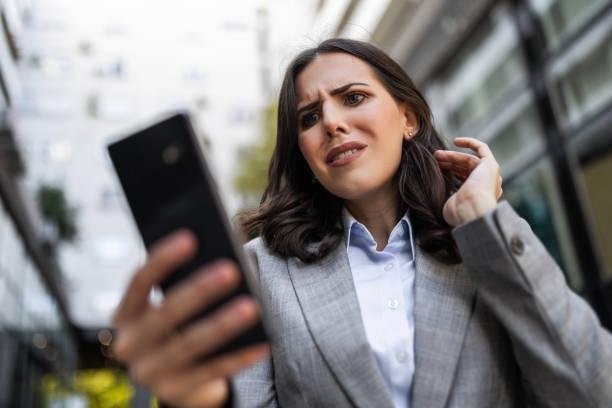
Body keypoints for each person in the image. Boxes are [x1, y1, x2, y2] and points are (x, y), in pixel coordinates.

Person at [111, 38, 612, 407]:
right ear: (303, 152)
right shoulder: (262, 270)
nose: (331, 122)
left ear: (408, 117)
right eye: (308, 118)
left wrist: (485, 222)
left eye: (352, 97)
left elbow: (591, 389)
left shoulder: (484, 245)